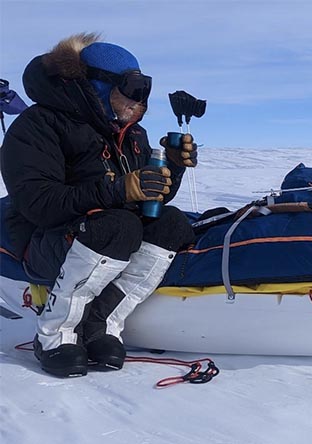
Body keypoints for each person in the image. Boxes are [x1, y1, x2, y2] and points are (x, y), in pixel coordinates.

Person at [0, 33, 197, 377]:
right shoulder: (37, 126)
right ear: (97, 86)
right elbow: (39, 205)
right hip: (44, 241)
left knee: (171, 223)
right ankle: (54, 335)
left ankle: (101, 324)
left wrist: (172, 168)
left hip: (105, 240)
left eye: (144, 88)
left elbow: (145, 199)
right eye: (132, 87)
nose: (140, 100)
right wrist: (118, 190)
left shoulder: (131, 133)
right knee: (116, 225)